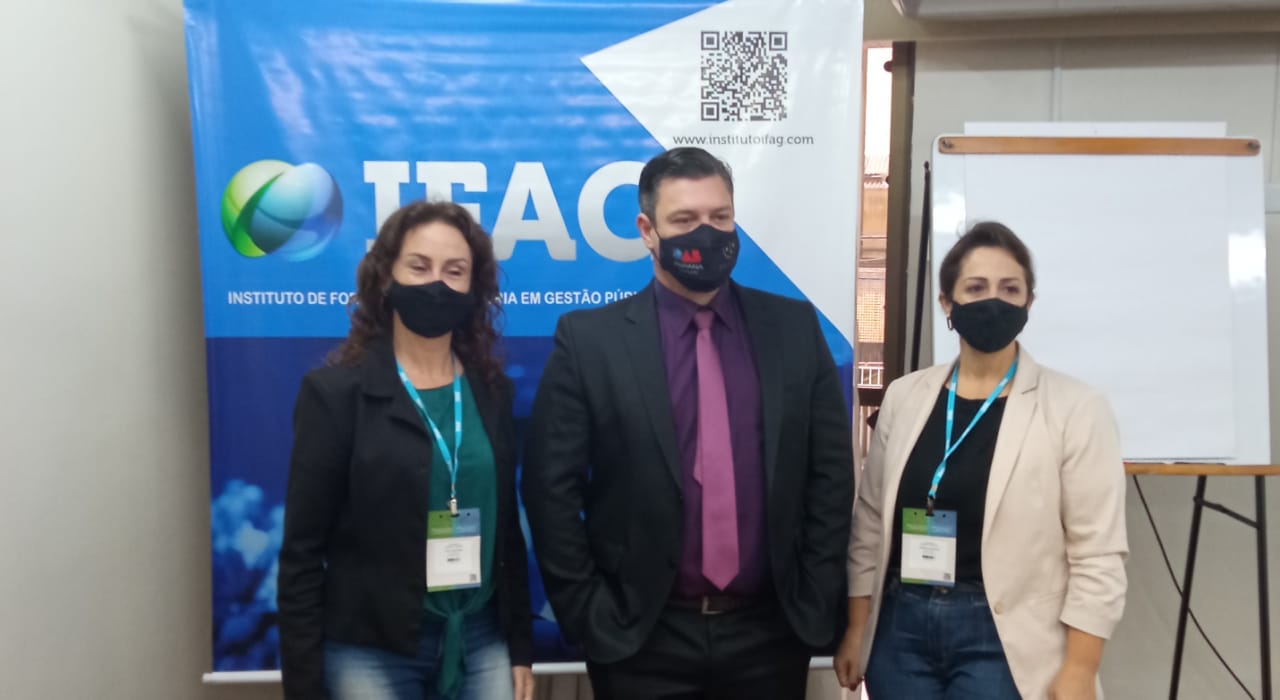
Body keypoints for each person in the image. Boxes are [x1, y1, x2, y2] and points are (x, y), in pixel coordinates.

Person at [522, 146, 854, 699]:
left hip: (770, 636)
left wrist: (815, 594)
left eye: (720, 217)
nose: (707, 233)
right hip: (640, 640)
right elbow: (550, 489)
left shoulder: (794, 328)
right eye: (684, 220)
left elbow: (830, 476)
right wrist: (589, 612)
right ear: (647, 231)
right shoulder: (590, 342)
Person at [836, 221, 1128, 699]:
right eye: (975, 288)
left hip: (1005, 637)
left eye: (1010, 289)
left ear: (1029, 303)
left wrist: (1080, 666)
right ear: (946, 303)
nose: (993, 301)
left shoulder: (1076, 408)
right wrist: (856, 628)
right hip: (900, 630)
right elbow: (869, 523)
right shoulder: (906, 397)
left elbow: (1097, 552)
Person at [277, 201, 534, 700]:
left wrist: (520, 646)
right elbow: (302, 555)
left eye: (454, 271)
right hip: (370, 649)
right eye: (419, 266)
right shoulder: (335, 395)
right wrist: (304, 687)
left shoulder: (492, 392)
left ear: (474, 288)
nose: (436, 284)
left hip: (481, 638)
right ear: (385, 278)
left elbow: (506, 530)